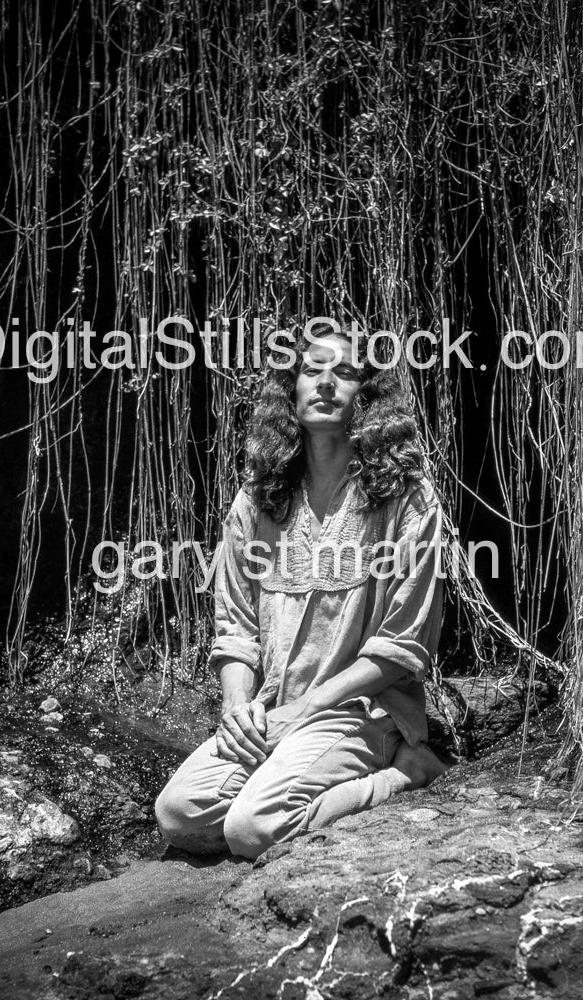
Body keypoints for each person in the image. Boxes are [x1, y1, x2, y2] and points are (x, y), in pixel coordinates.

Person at [155, 322, 449, 861]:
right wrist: (238, 707)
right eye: (312, 370)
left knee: (254, 827)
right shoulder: (258, 499)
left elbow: (401, 646)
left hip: (360, 710)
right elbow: (236, 629)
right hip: (274, 709)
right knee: (180, 813)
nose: (326, 383)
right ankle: (289, 773)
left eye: (346, 372)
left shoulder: (407, 498)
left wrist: (307, 709)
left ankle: (406, 772)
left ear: (369, 397)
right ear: (290, 391)